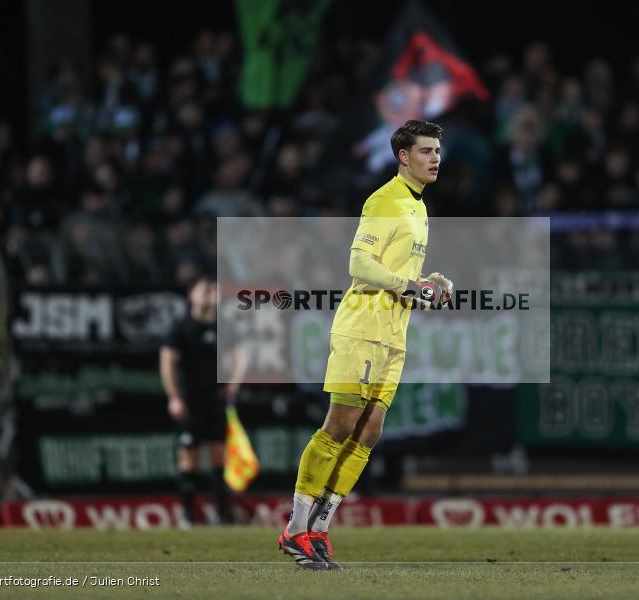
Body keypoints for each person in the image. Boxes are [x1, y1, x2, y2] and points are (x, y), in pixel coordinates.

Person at [278, 120, 454, 569]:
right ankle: (296, 527)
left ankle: (320, 528)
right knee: (339, 426)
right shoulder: (385, 200)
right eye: (426, 151)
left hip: (393, 334)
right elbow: (359, 263)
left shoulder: (418, 207)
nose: (435, 158)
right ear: (403, 156)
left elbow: (398, 274)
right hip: (361, 329)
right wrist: (410, 287)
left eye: (437, 150)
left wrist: (427, 284)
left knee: (368, 433)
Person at [160, 275, 247, 526]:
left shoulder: (224, 327)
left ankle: (222, 514)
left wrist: (233, 385)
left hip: (215, 401)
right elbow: (167, 363)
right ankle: (188, 515)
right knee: (189, 457)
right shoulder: (181, 327)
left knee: (219, 457)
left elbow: (240, 357)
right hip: (189, 401)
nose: (210, 295)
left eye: (214, 290)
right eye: (205, 290)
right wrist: (174, 397)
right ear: (192, 295)